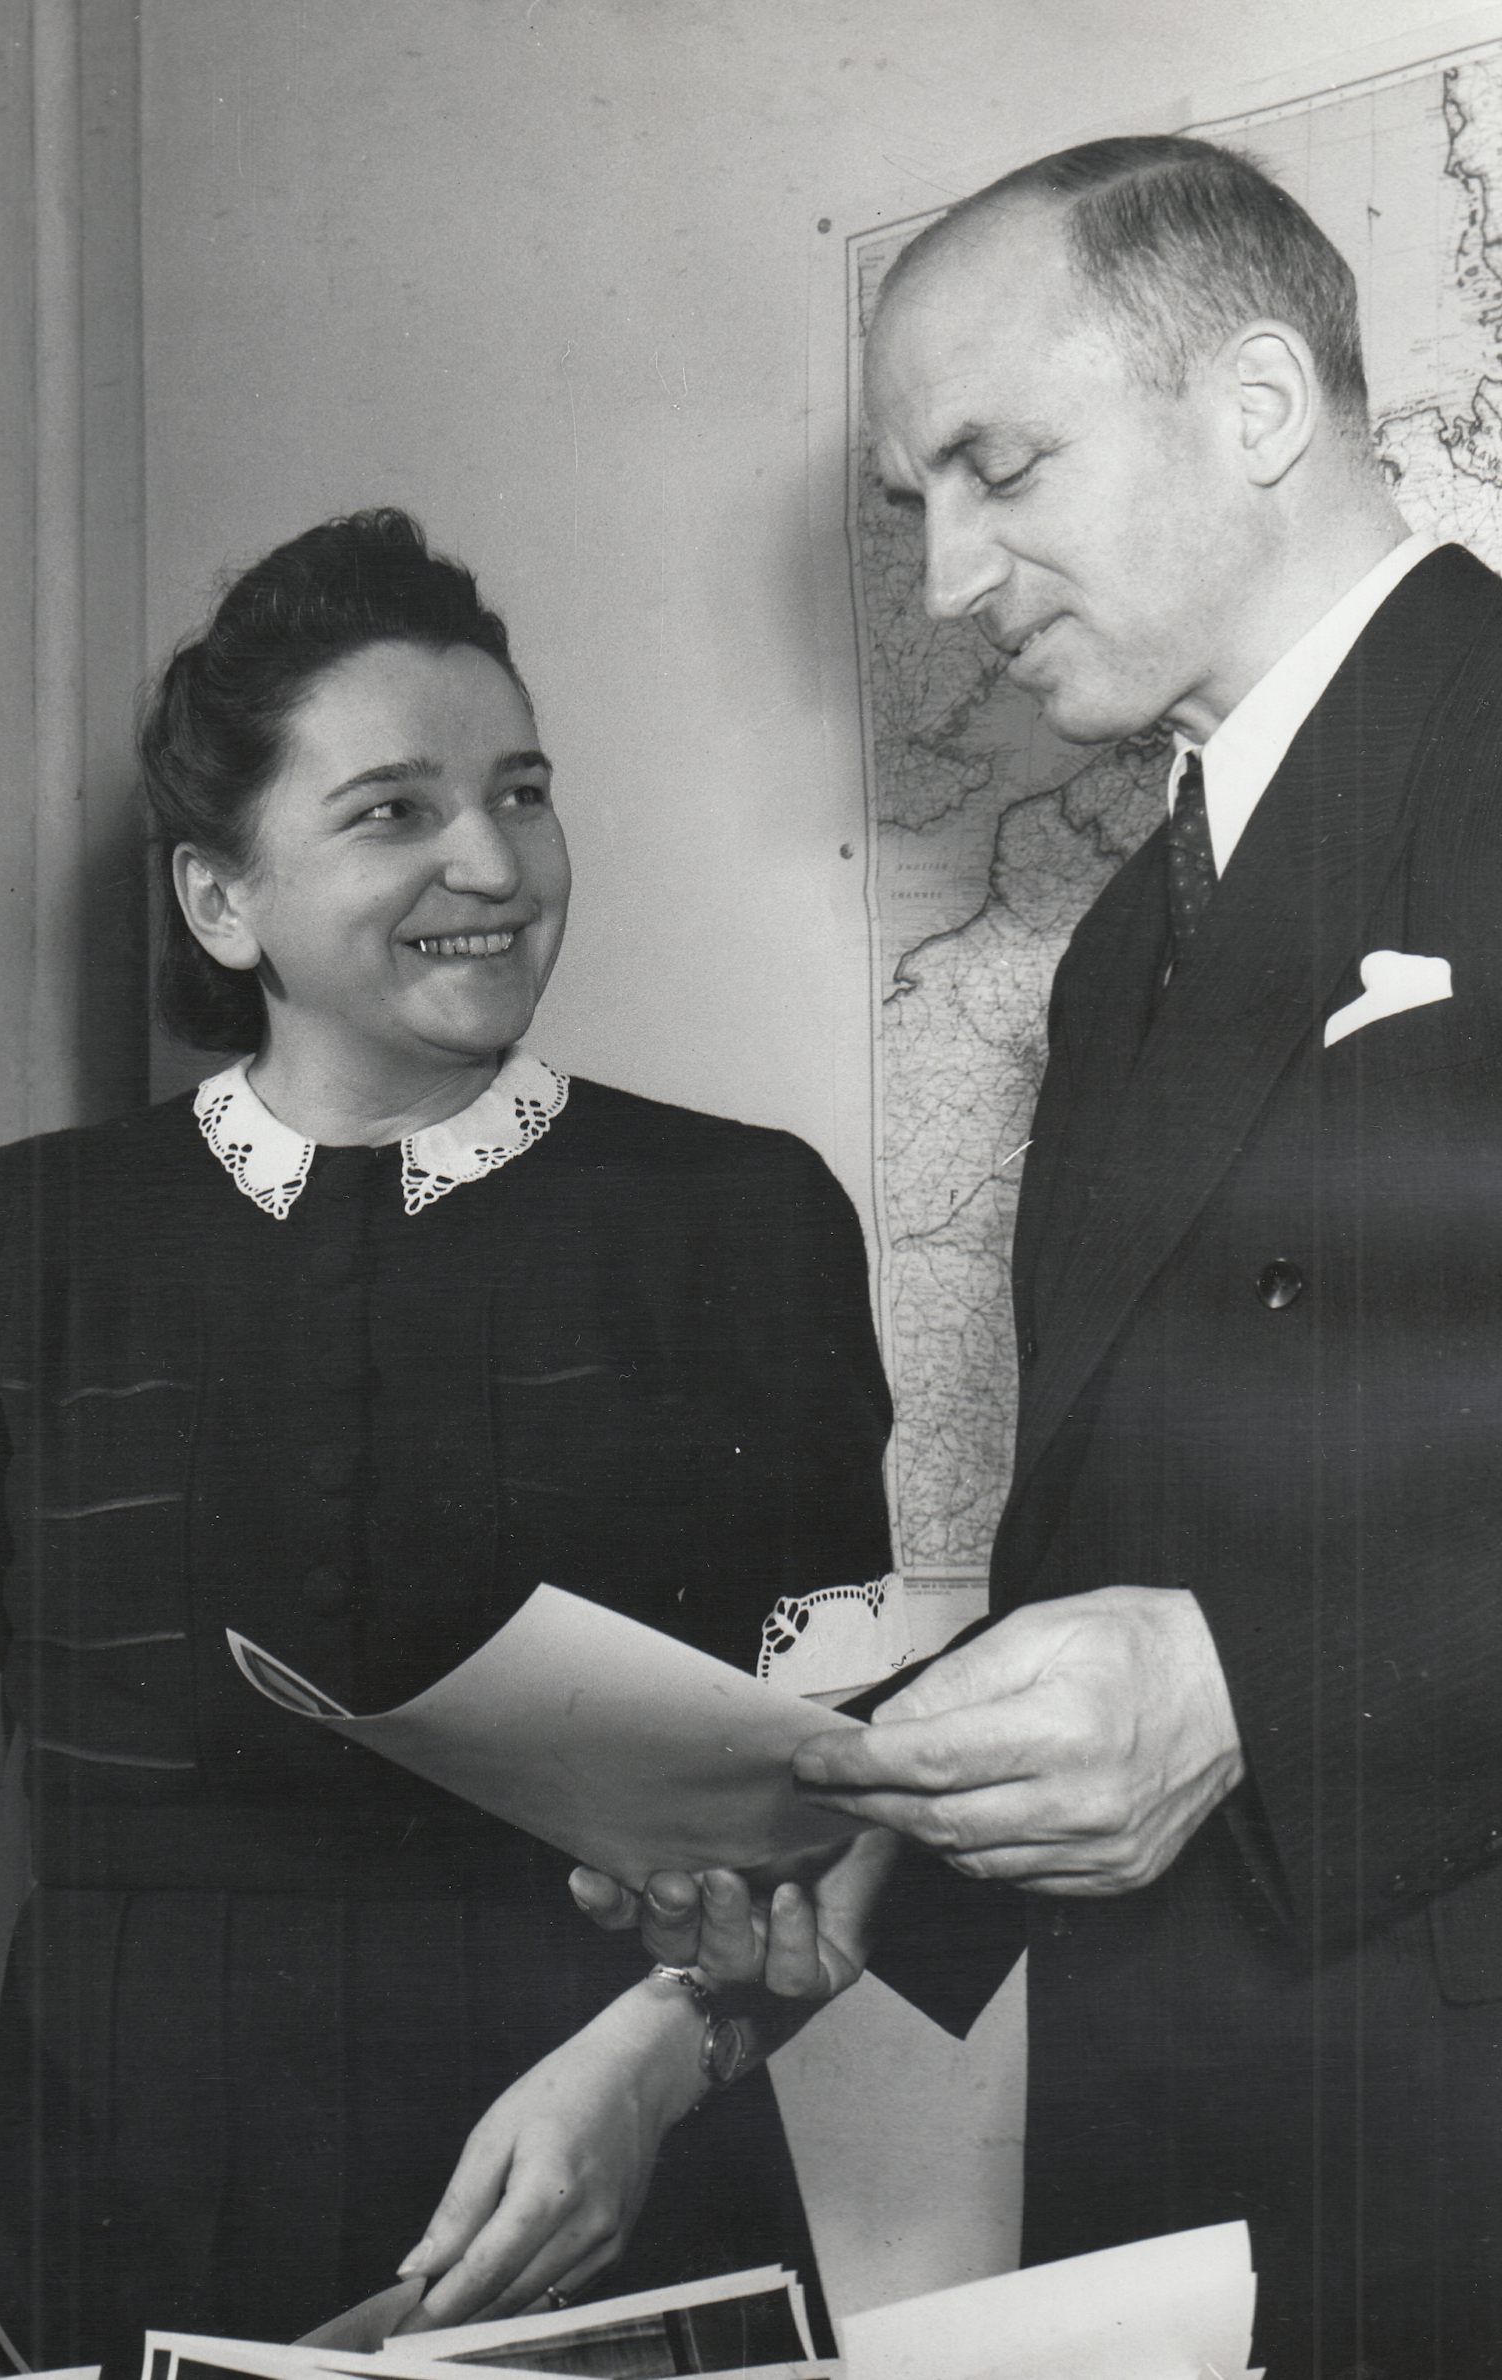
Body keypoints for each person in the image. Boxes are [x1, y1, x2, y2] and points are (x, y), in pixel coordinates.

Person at [0, 509, 896, 2371]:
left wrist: (662, 2062)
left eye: (523, 792)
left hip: (601, 2158)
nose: (496, 862)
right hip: (122, 2181)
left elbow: (855, 1774)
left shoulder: (739, 1217)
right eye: (395, 811)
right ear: (221, 902)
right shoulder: (15, 1237)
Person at [585, 138, 1502, 2377]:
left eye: (998, 468)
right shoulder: (1120, 946)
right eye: (921, 503)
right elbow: (1129, 1546)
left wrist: (1257, 1690)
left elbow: (1238, 1648)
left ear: (1259, 404)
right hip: (1192, 2139)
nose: (951, 576)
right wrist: (867, 1835)